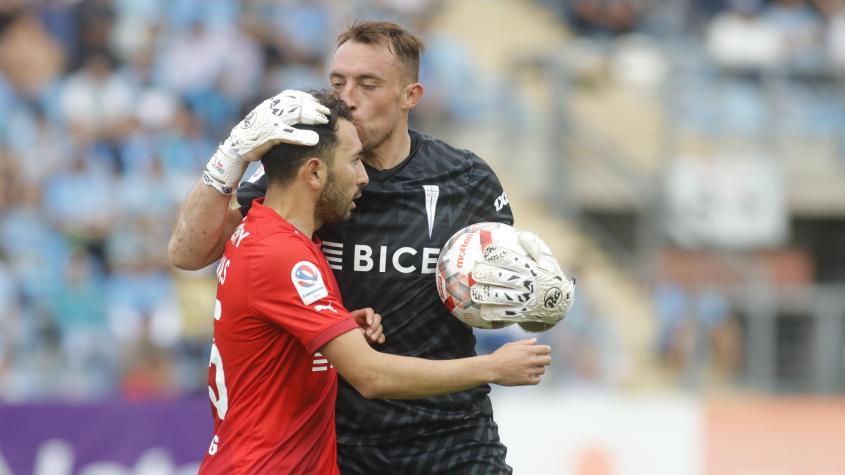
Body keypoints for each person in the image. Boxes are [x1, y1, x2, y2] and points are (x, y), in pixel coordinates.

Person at [170, 22, 573, 474]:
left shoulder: (466, 181)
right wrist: (230, 156)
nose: (347, 99)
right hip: (344, 444)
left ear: (410, 96)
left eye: (368, 84)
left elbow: (508, 299)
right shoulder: (306, 178)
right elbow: (188, 253)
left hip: (453, 437)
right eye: (337, 83)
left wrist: (541, 301)